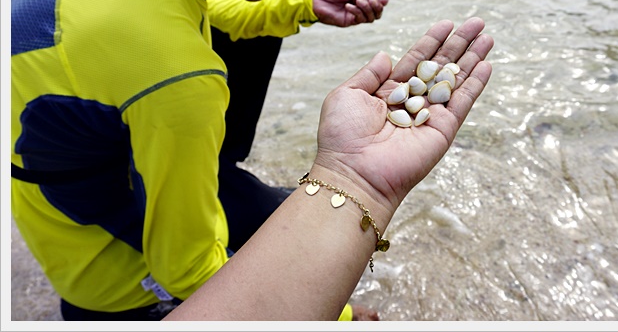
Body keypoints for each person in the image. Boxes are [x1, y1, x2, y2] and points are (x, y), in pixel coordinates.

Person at [10, 0, 390, 321]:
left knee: (303, 223)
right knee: (306, 264)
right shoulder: (177, 75)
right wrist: (336, 317)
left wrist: (298, 4)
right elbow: (188, 273)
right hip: (107, 266)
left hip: (97, 154)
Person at [165, 16, 494, 320]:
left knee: (276, 206)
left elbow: (220, 10)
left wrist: (302, 3)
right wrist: (344, 317)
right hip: (134, 276)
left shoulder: (179, 7)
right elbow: (183, 266)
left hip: (217, 184)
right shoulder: (175, 82)